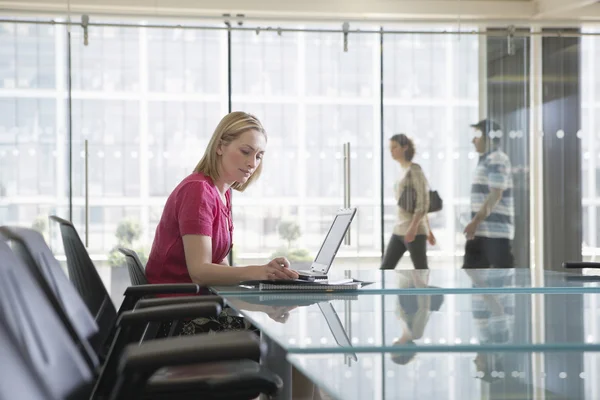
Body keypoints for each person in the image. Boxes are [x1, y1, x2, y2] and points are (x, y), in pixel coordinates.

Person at [145, 111, 299, 333]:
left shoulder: (222, 193)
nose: (252, 163)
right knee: (268, 339)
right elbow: (200, 271)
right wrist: (259, 272)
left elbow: (219, 265)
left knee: (265, 332)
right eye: (246, 152)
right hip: (176, 317)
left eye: (259, 156)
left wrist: (264, 288)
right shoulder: (198, 191)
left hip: (196, 307)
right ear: (220, 146)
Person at [463, 119, 515, 269]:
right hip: (482, 232)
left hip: (494, 235)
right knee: (474, 278)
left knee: (498, 285)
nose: (473, 140)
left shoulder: (497, 159)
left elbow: (495, 195)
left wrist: (475, 222)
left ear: (489, 137)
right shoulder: (486, 160)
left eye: (477, 135)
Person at [381, 133, 436, 270]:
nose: (391, 151)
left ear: (405, 148)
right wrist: (428, 230)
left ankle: (433, 292)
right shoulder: (402, 170)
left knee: (421, 271)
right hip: (399, 229)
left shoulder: (415, 170)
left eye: (394, 147)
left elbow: (423, 202)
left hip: (414, 231)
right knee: (385, 268)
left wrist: (416, 228)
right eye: (390, 148)